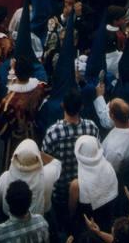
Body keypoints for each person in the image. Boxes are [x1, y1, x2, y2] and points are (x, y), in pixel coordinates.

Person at [42, 90, 98, 223]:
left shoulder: (53, 132)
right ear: (82, 107)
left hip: (60, 192)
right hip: (87, 188)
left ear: (62, 105)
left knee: (64, 225)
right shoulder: (92, 128)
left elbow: (44, 162)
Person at [0, 139, 61, 218]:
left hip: (10, 219)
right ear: (37, 157)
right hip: (40, 219)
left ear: (15, 156)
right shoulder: (48, 174)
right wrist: (38, 153)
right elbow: (57, 163)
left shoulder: (5, 177)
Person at [92, 96, 129, 178]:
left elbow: (109, 173)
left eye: (108, 108)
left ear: (112, 116)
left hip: (120, 176)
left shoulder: (114, 149)